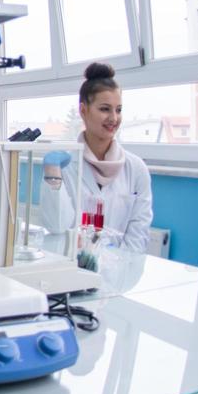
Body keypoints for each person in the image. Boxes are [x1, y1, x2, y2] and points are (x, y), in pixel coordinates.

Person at [39, 62, 153, 252]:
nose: (113, 118)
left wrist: (117, 267)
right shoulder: (63, 165)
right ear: (83, 110)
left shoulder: (136, 168)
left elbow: (138, 232)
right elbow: (56, 225)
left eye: (118, 110)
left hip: (119, 273)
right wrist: (52, 176)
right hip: (72, 271)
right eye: (105, 109)